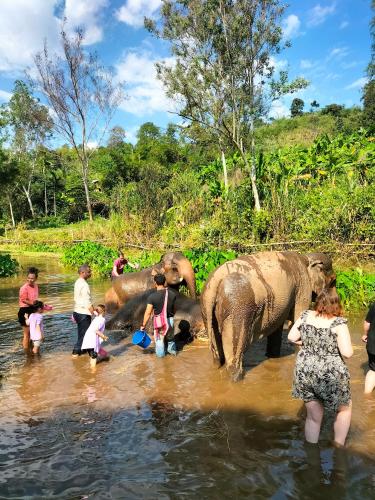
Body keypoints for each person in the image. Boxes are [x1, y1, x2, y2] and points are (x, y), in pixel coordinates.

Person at [288, 288, 353, 447]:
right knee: (344, 409)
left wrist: (306, 344)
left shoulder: (305, 315)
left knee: (313, 417)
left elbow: (291, 337)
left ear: (318, 302)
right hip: (329, 372)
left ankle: (311, 453)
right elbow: (348, 353)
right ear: (336, 304)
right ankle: (338, 447)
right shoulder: (338, 323)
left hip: (305, 370)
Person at [140, 274, 177, 356]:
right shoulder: (172, 294)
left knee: (160, 341)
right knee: (171, 339)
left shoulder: (152, 297)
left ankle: (161, 363)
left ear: (155, 283)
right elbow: (175, 309)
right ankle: (173, 354)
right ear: (164, 282)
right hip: (170, 320)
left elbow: (148, 313)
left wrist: (143, 325)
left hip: (160, 322)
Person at [72, 264, 94, 357]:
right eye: (88, 272)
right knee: (86, 334)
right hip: (83, 313)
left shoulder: (78, 282)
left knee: (82, 332)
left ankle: (84, 351)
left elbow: (80, 298)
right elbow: (87, 301)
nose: (90, 273)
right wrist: (94, 312)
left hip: (77, 311)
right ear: (82, 272)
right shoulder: (84, 285)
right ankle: (76, 352)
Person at [18, 267, 39, 350]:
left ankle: (30, 349)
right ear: (27, 278)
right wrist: (35, 304)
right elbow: (24, 300)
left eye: (32, 278)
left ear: (36, 278)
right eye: (29, 278)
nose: (30, 280)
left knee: (32, 333)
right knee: (26, 334)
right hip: (24, 311)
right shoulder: (24, 288)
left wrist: (39, 306)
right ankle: (26, 353)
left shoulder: (36, 286)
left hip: (32, 310)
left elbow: (35, 298)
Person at [362, 302, 375, 394]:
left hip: (373, 344)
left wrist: (365, 335)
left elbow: (367, 323)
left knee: (373, 370)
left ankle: (366, 397)